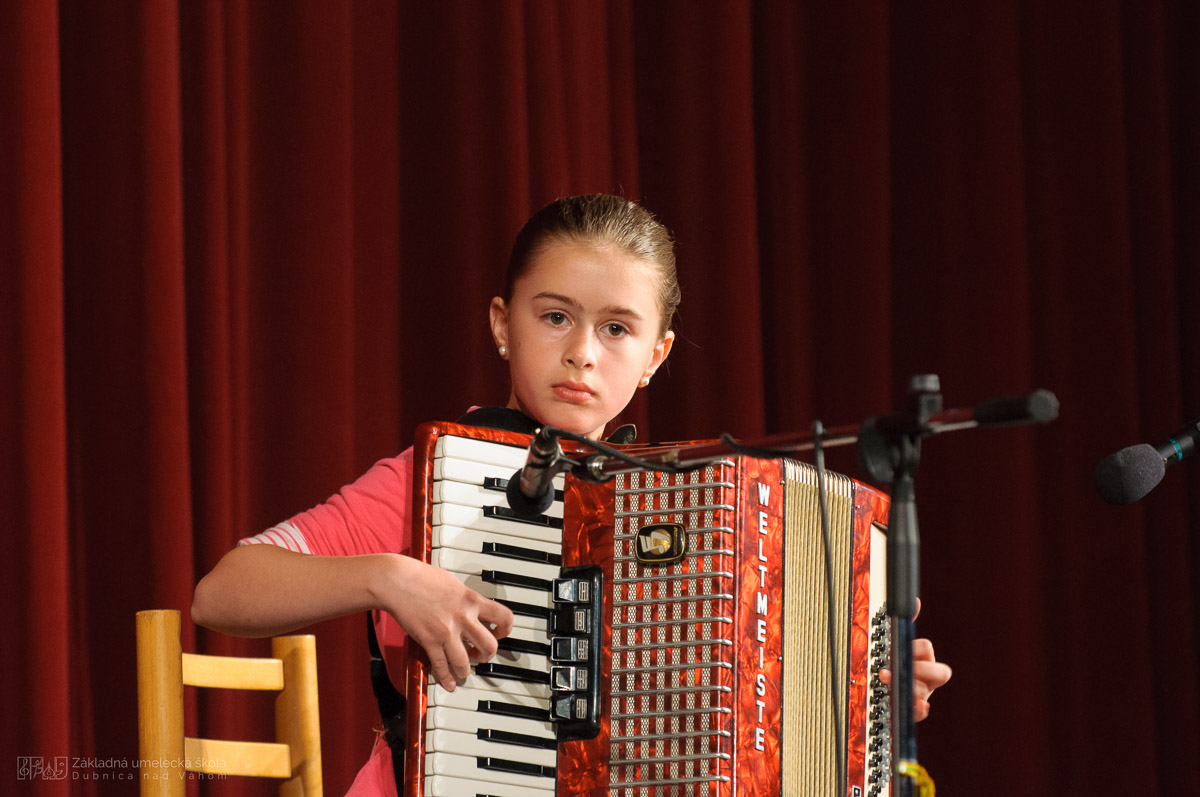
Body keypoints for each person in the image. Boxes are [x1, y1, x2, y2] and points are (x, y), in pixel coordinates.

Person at [192, 194, 952, 795]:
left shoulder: (701, 520)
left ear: (656, 355)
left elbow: (733, 739)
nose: (581, 352)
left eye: (617, 328)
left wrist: (860, 698)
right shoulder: (432, 484)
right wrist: (388, 575)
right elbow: (223, 592)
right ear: (502, 323)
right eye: (555, 316)